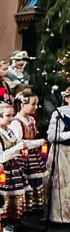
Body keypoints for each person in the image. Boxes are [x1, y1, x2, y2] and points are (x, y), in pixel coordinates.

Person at [0, 101, 29, 232]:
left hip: (13, 168)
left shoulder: (9, 131)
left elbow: (19, 144)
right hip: (2, 170)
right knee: (3, 197)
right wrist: (17, 148)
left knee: (12, 197)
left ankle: (12, 221)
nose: (11, 118)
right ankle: (3, 223)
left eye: (12, 115)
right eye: (8, 116)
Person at [10, 91, 46, 213]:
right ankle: (23, 210)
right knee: (24, 182)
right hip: (22, 158)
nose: (36, 107)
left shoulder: (30, 120)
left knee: (35, 181)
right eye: (33, 104)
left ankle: (34, 209)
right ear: (23, 105)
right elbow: (19, 142)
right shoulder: (16, 122)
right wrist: (37, 143)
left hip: (33, 156)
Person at [45, 87, 70, 223]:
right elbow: (51, 136)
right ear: (67, 99)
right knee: (63, 185)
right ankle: (60, 217)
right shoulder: (60, 113)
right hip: (63, 152)